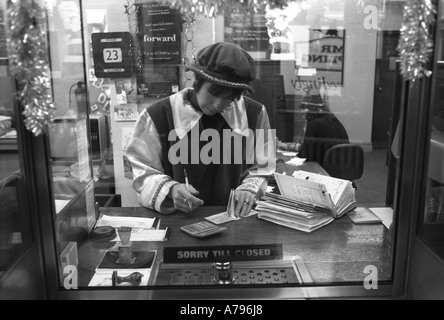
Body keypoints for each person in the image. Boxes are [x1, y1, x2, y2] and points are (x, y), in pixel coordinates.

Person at [126, 42, 276, 217]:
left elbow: (263, 166)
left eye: (229, 98)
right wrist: (171, 189)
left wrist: (250, 189)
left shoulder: (254, 114)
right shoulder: (158, 115)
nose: (218, 104)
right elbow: (142, 170)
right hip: (176, 222)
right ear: (198, 81)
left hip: (236, 220)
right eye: (214, 93)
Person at [297, 94, 349, 164]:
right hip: (343, 165)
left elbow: (304, 155)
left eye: (305, 114)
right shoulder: (333, 120)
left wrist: (307, 130)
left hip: (324, 169)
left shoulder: (314, 124)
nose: (304, 117)